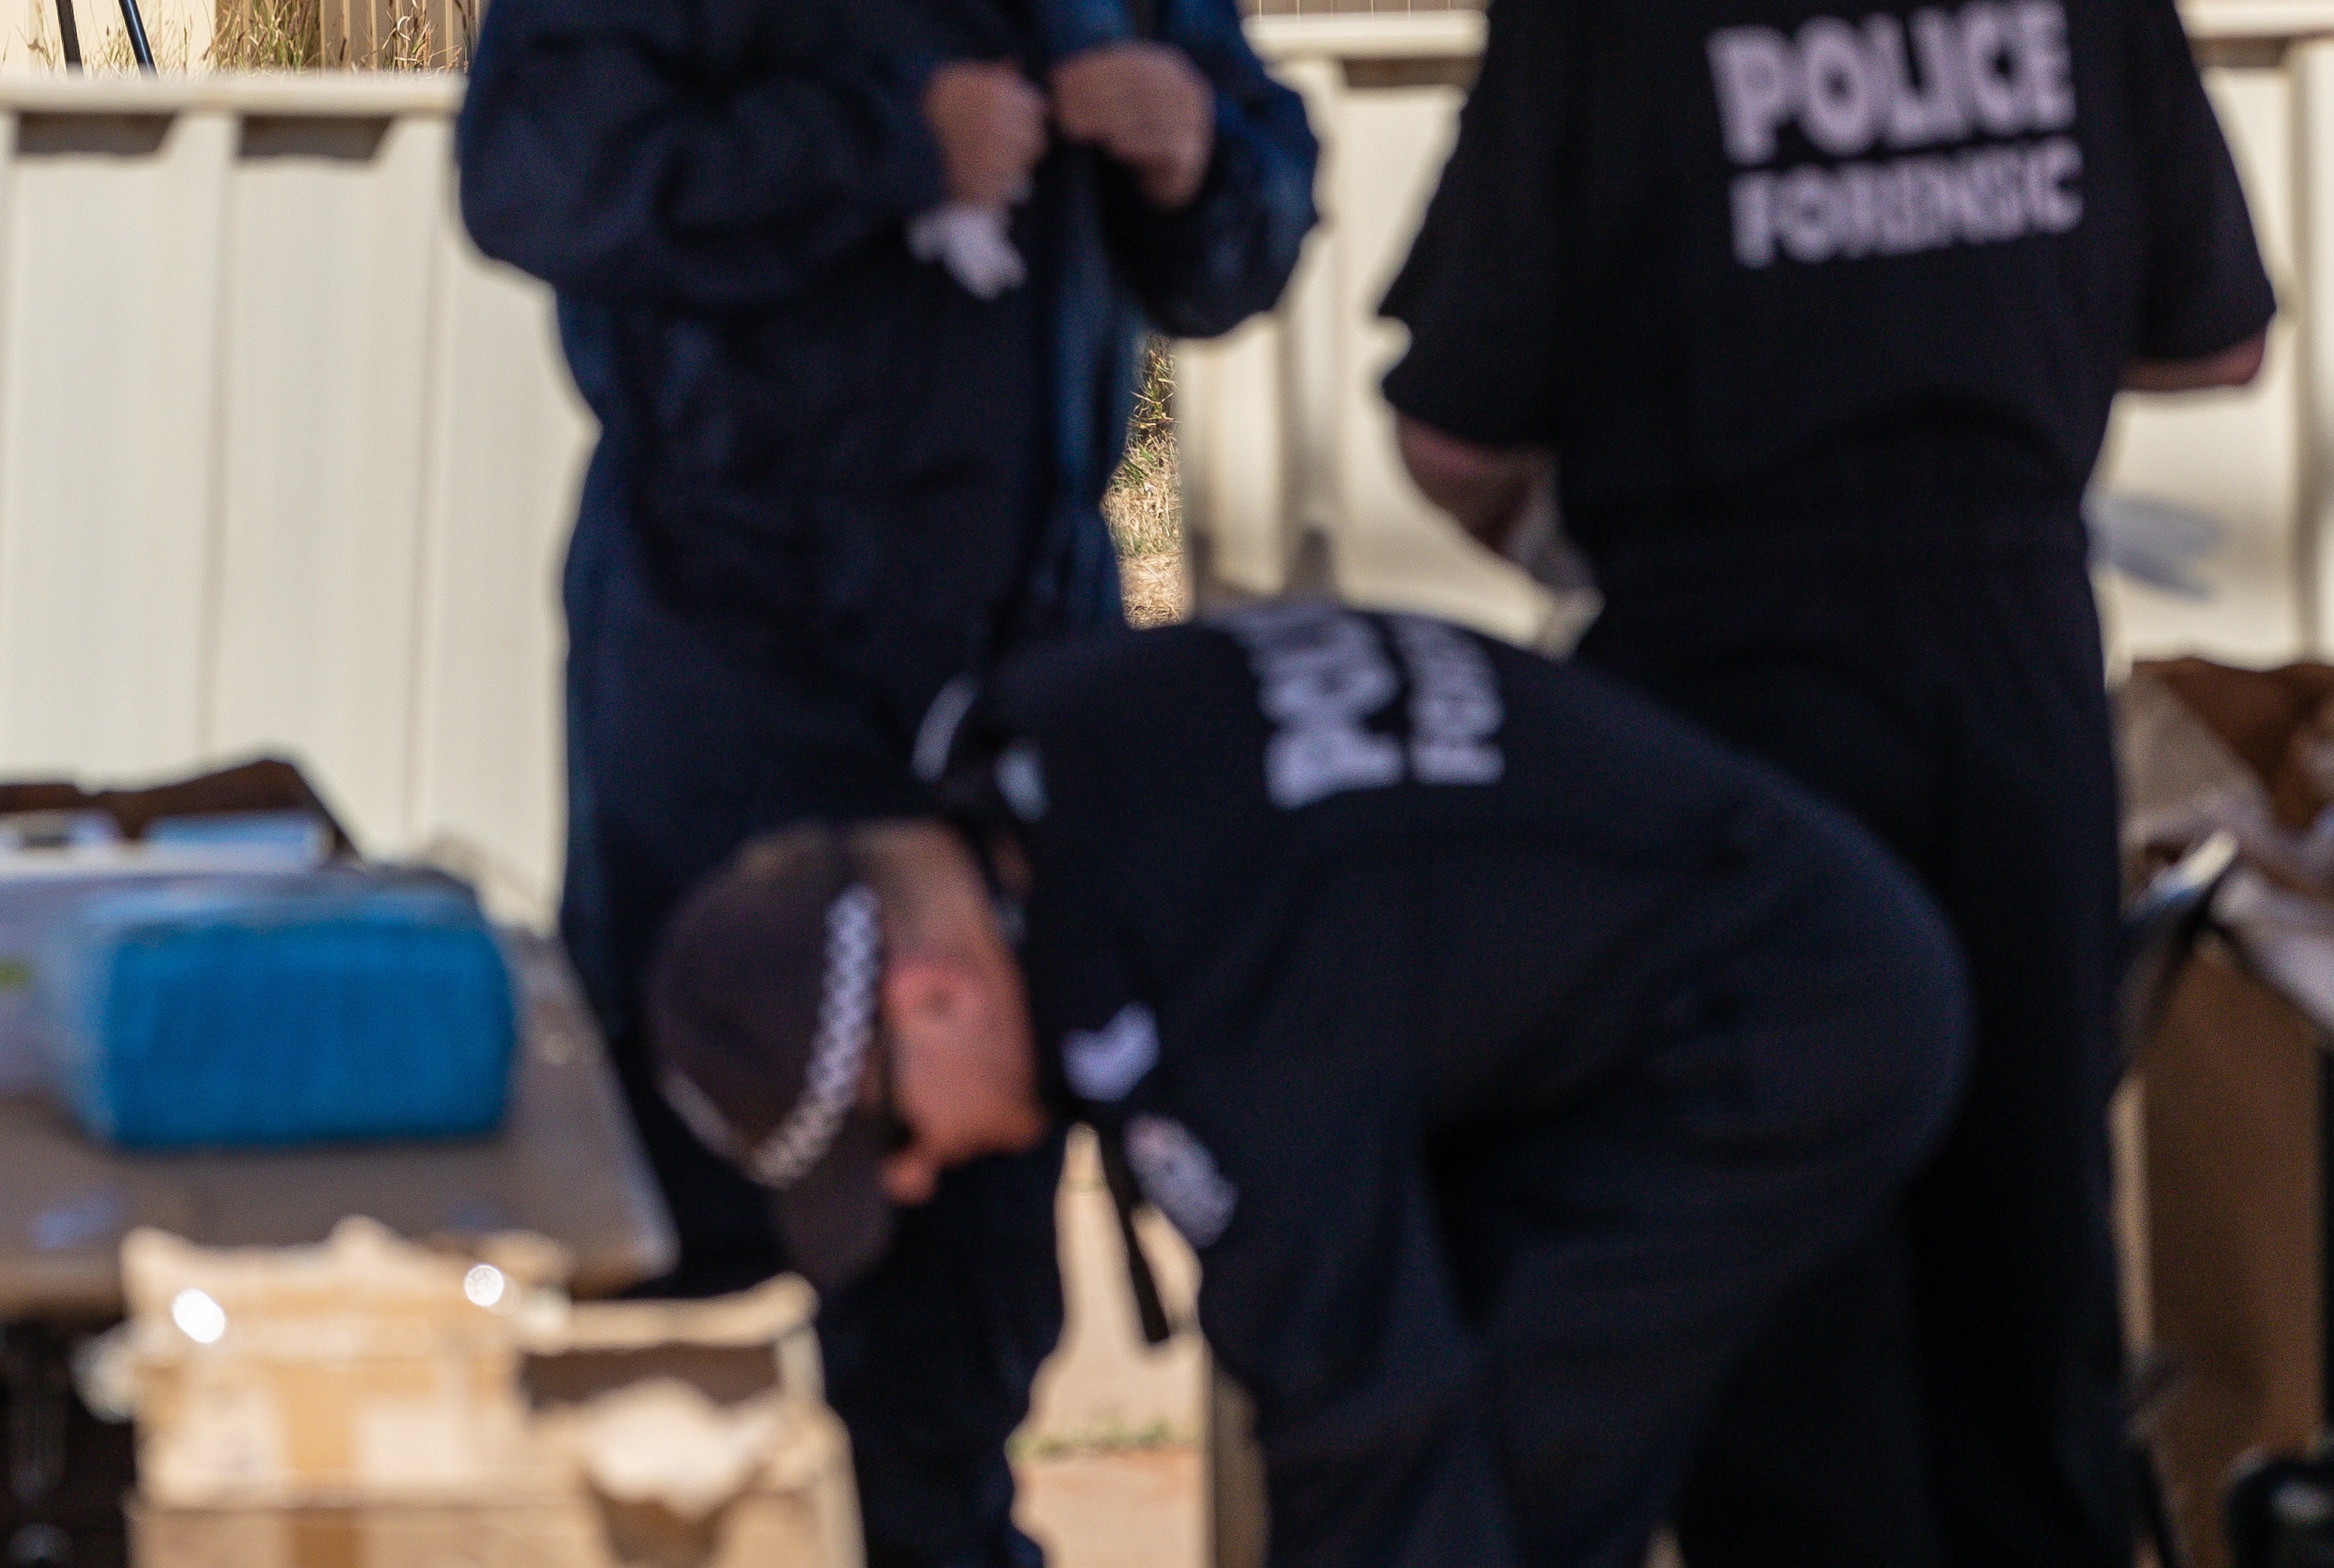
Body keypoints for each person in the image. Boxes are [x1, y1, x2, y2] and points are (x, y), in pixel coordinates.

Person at [456, 0, 1318, 1568]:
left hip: (1021, 665)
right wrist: (876, 149)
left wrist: (1200, 155)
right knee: (711, 1205)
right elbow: (529, 184)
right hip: (726, 660)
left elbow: (1256, 230)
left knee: (971, 1242)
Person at [1374, 0, 2279, 1568]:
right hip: (2015, 671)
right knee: (2028, 1246)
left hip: (1719, 701)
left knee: (1784, 1261)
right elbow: (2219, 331)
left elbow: (1451, 432)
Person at [647, 602, 1966, 1568]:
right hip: (1743, 940)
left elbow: (1362, 1424)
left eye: (890, 1134)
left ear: (928, 995)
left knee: (1492, 1465)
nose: (918, 1174)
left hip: (1783, 1020)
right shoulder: (1058, 751)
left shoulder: (1203, 986)